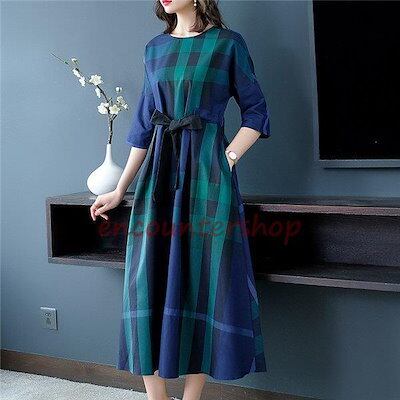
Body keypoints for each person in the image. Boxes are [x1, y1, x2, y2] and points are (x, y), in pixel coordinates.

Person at [90, 1, 271, 399]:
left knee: (204, 278)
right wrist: (120, 189)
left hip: (207, 175)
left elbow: (256, 112)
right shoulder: (154, 48)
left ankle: (192, 397)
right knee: (145, 279)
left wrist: (227, 158)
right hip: (159, 173)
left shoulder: (227, 44)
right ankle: (156, 396)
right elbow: (143, 126)